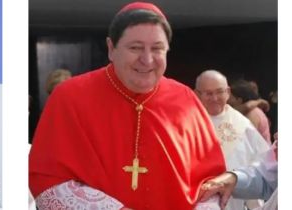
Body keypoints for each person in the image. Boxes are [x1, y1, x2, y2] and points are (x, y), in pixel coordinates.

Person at [29, 2, 226, 210]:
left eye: (157, 48)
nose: (147, 59)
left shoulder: (186, 99)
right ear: (111, 48)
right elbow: (48, 181)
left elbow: (211, 182)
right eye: (135, 48)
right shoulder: (69, 97)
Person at [195, 70, 271, 209]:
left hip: (232, 201)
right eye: (208, 93)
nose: (215, 98)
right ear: (197, 94)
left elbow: (259, 167)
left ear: (228, 92)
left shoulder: (243, 126)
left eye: (219, 92)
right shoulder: (186, 122)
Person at [229, 79, 271, 144]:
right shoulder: (247, 110)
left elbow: (248, 141)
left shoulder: (252, 114)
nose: (227, 99)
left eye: (230, 96)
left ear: (239, 100)